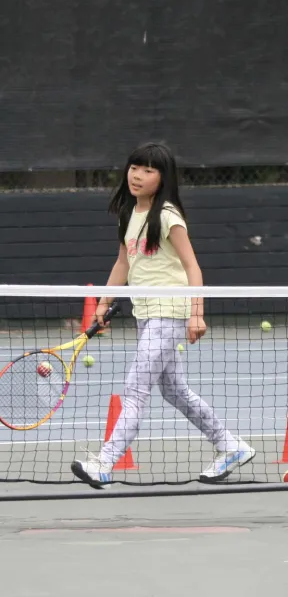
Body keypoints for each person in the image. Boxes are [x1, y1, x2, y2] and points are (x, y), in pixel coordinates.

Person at [71, 143, 255, 489]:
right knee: (173, 389)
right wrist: (102, 303)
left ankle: (104, 463)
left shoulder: (168, 215)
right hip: (146, 313)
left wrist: (196, 314)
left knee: (135, 389)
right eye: (134, 167)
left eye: (148, 170)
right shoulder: (129, 213)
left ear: (163, 177)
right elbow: (123, 263)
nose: (137, 176)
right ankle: (231, 446)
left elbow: (192, 266)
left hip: (170, 312)